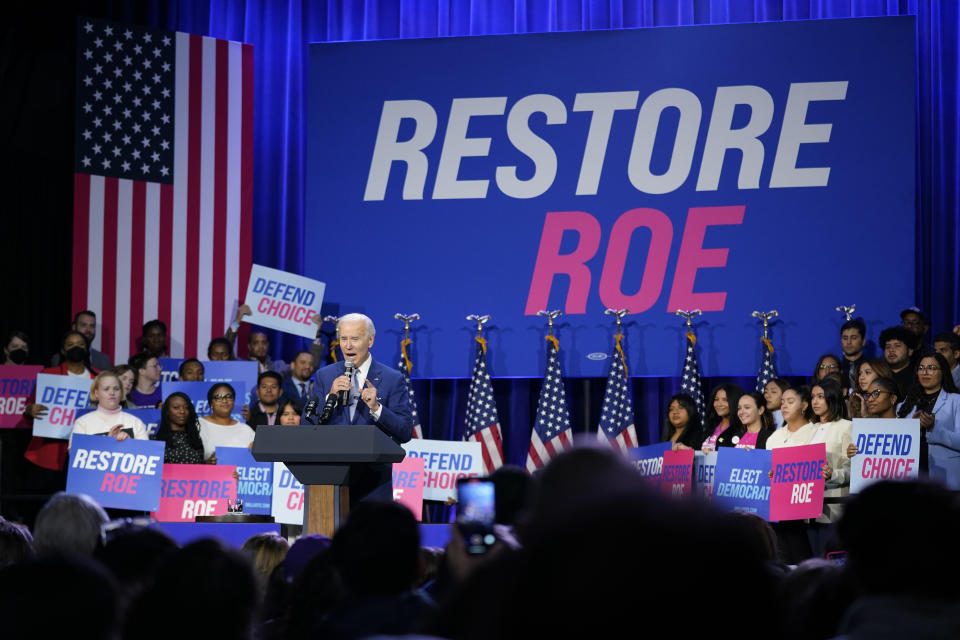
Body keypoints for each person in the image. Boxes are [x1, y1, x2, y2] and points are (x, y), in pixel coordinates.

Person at [310, 313, 413, 502]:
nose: (348, 346)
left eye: (354, 339)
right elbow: (307, 426)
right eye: (343, 339)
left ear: (370, 340)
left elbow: (405, 432)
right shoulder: (324, 376)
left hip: (373, 483)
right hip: (329, 481)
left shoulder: (392, 379)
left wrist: (376, 408)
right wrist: (330, 397)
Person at [22, 331, 100, 476]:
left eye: (80, 344)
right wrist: (30, 410)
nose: (76, 348)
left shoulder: (99, 378)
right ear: (63, 351)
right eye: (70, 345)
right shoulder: (48, 375)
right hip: (50, 451)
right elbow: (28, 408)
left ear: (86, 349)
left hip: (86, 452)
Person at [765, 385, 817, 564]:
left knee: (804, 560)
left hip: (804, 514)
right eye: (782, 402)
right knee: (782, 561)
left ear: (804, 405)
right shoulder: (774, 437)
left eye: (790, 401)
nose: (784, 406)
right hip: (778, 512)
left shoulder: (815, 433)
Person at [897, 351, 960, 489]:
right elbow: (896, 439)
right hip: (911, 473)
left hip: (946, 476)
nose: (925, 372)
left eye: (931, 368)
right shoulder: (905, 404)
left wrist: (934, 428)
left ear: (943, 372)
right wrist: (912, 427)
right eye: (921, 368)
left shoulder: (956, 401)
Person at [808, 378, 853, 556]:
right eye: (812, 397)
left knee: (829, 562)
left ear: (832, 398)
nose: (815, 401)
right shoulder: (809, 428)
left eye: (820, 396)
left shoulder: (846, 427)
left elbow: (851, 469)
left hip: (833, 509)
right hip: (808, 508)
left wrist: (833, 474)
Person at [69, 371, 148, 446]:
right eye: (106, 389)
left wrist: (129, 443)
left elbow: (147, 453)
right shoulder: (82, 423)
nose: (112, 393)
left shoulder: (136, 422)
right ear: (96, 393)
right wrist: (108, 442)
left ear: (121, 393)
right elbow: (73, 452)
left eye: (116, 389)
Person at [846, 377, 902, 461]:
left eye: (876, 393)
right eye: (868, 395)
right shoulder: (865, 430)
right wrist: (853, 453)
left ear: (892, 398)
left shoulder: (906, 429)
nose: (870, 399)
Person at [198, 382, 255, 463]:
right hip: (206, 474)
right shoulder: (198, 425)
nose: (224, 400)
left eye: (229, 397)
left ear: (233, 402)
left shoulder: (246, 430)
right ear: (211, 403)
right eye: (218, 397)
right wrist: (206, 463)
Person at [154, 392, 205, 464]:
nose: (182, 411)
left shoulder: (195, 439)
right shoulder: (157, 441)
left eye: (186, 407)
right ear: (167, 411)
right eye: (176, 407)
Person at [701, 383, 743, 453]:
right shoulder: (711, 427)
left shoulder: (740, 429)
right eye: (716, 399)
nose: (719, 404)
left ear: (735, 402)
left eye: (725, 400)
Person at [879, 325, 917, 402]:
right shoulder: (878, 375)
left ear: (910, 351)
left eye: (897, 346)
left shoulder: (918, 376)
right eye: (888, 346)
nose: (891, 350)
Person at [839, 317, 867, 390]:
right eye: (845, 338)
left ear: (863, 341)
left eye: (853, 338)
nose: (848, 342)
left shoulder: (872, 368)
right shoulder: (836, 368)